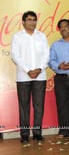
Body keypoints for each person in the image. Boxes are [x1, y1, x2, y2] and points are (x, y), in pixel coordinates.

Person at [11, 11, 50, 143]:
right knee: (24, 107)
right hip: (23, 77)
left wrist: (39, 69)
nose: (32, 22)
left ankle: (37, 133)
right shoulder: (17, 37)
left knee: (39, 106)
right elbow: (15, 56)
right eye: (29, 20)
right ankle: (25, 134)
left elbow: (46, 55)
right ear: (23, 22)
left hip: (40, 76)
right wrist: (28, 70)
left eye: (34, 20)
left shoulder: (42, 36)